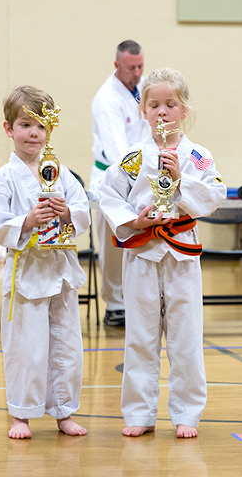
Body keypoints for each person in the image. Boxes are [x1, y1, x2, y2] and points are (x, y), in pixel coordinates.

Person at [98, 68, 226, 438]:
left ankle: (187, 414)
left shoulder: (197, 156)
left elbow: (216, 193)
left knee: (186, 336)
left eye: (171, 104)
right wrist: (133, 221)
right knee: (140, 335)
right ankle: (139, 413)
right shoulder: (133, 156)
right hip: (143, 251)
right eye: (154, 105)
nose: (162, 111)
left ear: (184, 110)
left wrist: (183, 182)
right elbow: (109, 194)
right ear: (144, 112)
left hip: (182, 253)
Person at [0, 85, 90, 439]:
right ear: (8, 129)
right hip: (26, 274)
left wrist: (67, 212)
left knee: (66, 346)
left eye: (41, 126)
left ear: (50, 130)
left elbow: (82, 212)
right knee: (26, 348)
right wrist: (27, 221)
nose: (34, 133)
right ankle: (21, 414)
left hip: (60, 271)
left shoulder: (59, 172)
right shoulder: (3, 178)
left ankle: (64, 412)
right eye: (25, 125)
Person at [90, 40, 151, 327]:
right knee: (113, 244)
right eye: (131, 68)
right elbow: (117, 151)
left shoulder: (143, 89)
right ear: (117, 65)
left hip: (143, 175)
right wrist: (139, 177)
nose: (137, 73)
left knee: (143, 239)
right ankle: (115, 305)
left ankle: (141, 301)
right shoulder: (107, 100)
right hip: (113, 177)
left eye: (140, 66)